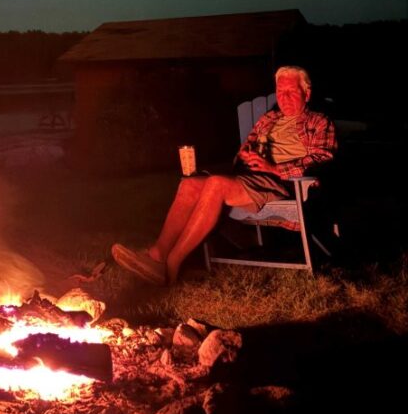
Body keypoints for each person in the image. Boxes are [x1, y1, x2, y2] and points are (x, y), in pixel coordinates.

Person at [111, 65, 337, 286]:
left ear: (306, 94)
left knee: (216, 184)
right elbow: (245, 150)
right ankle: (156, 256)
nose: (284, 98)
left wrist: (274, 168)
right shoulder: (268, 119)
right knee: (190, 184)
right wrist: (246, 156)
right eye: (280, 92)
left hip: (281, 182)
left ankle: (173, 263)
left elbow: (323, 158)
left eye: (291, 92)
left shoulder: (318, 122)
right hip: (249, 177)